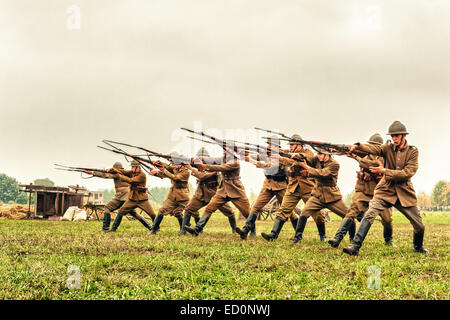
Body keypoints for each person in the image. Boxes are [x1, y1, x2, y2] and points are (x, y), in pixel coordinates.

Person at [343, 121, 428, 255]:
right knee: (370, 214)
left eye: (397, 136)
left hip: (404, 192)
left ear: (404, 135)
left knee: (419, 225)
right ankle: (355, 246)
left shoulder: (412, 151)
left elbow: (407, 173)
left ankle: (418, 247)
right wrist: (357, 146)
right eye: (392, 136)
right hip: (385, 190)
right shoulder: (387, 148)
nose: (394, 138)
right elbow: (374, 149)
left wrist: (384, 171)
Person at [328, 133, 394, 248]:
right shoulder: (364, 154)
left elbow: (370, 164)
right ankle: (337, 238)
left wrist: (356, 157)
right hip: (363, 190)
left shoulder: (384, 157)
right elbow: (349, 153)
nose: (370, 148)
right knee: (351, 211)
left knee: (387, 219)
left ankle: (388, 240)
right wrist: (340, 149)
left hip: (381, 192)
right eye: (370, 145)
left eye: (373, 145)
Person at [260, 134, 328, 242]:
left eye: (293, 145)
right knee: (283, 209)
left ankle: (323, 236)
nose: (291, 147)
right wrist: (272, 152)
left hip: (307, 187)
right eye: (290, 145)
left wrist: (280, 157)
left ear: (300, 145)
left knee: (317, 213)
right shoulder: (289, 152)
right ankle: (274, 234)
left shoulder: (308, 153)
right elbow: (285, 154)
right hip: (293, 186)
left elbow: (295, 160)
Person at [289, 147, 355, 244]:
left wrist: (305, 167)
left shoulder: (335, 164)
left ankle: (352, 238)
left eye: (321, 154)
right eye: (318, 154)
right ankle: (297, 239)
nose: (318, 156)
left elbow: (322, 173)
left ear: (327, 154)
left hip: (332, 196)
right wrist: (299, 155)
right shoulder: (316, 159)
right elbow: (308, 158)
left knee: (349, 215)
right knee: (304, 213)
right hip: (318, 195)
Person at [184, 141, 251, 236]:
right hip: (223, 190)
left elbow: (220, 168)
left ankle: (251, 231)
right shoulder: (223, 159)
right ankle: (197, 229)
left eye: (226, 150)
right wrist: (195, 159)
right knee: (209, 208)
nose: (224, 151)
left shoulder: (234, 162)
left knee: (247, 213)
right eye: (224, 149)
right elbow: (211, 159)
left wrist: (204, 166)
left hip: (236, 190)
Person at [236, 136, 293, 240]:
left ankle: (298, 234)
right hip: (268, 184)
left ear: (276, 146)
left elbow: (269, 166)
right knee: (256, 207)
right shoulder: (267, 153)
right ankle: (245, 230)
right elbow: (257, 156)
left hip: (280, 186)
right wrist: (244, 153)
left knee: (289, 211)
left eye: (270, 145)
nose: (268, 146)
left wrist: (253, 162)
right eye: (268, 144)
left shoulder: (281, 156)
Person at [179, 147, 237, 236]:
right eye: (199, 157)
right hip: (201, 193)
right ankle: (183, 231)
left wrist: (191, 168)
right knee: (188, 209)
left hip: (215, 193)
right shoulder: (198, 164)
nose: (201, 159)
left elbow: (203, 176)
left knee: (229, 212)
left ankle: (234, 230)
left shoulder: (214, 166)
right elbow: (193, 164)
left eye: (203, 157)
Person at [84, 162, 142, 232]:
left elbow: (105, 175)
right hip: (127, 196)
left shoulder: (117, 175)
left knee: (107, 208)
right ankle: (151, 227)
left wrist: (92, 172)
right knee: (133, 213)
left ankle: (106, 228)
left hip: (121, 196)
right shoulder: (126, 174)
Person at [106, 160, 156, 232]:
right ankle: (113, 229)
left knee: (152, 214)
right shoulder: (133, 172)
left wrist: (119, 176)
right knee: (120, 211)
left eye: (133, 167)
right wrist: (112, 169)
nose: (132, 169)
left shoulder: (142, 175)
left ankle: (155, 228)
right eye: (132, 167)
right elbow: (124, 171)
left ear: (138, 167)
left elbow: (130, 180)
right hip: (132, 199)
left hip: (142, 199)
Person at [150, 152, 191, 235]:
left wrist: (163, 170)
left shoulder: (186, 172)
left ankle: (183, 230)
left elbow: (175, 178)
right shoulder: (175, 169)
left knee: (178, 213)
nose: (175, 164)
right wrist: (159, 163)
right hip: (172, 196)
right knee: (161, 210)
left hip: (182, 196)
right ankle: (154, 230)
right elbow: (168, 167)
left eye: (177, 163)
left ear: (182, 164)